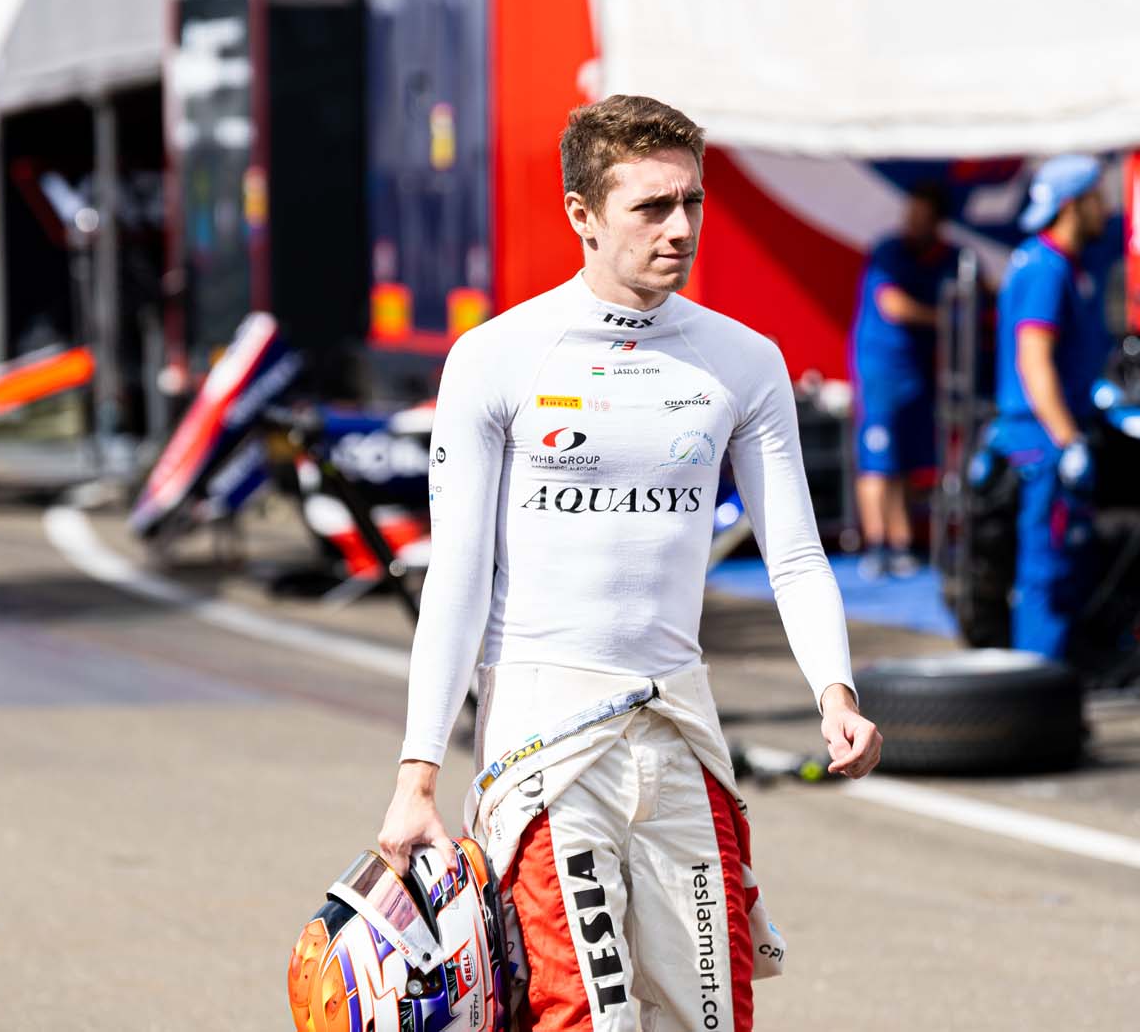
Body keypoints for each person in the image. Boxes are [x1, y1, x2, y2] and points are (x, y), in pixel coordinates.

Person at [378, 94, 882, 1032]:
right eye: (651, 206)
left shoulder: (743, 360)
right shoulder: (496, 358)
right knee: (583, 1017)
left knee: (713, 1017)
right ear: (582, 213)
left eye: (691, 202)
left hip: (681, 731)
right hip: (544, 744)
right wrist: (418, 775)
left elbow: (795, 553)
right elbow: (458, 577)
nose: (680, 228)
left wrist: (835, 692)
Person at [991, 154, 1112, 661]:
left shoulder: (1055, 264)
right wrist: (1068, 439)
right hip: (1043, 441)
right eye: (1098, 198)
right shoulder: (1047, 267)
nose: (1106, 208)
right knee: (1047, 570)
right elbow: (1033, 358)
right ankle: (1037, 683)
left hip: (1042, 436)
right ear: (1073, 204)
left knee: (1058, 567)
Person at [851, 180, 956, 579]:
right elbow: (893, 305)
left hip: (915, 373)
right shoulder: (889, 252)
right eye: (911, 213)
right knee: (878, 461)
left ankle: (900, 543)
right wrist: (944, 319)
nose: (913, 222)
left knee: (905, 463)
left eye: (922, 215)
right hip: (882, 373)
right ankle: (877, 546)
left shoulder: (943, 257)